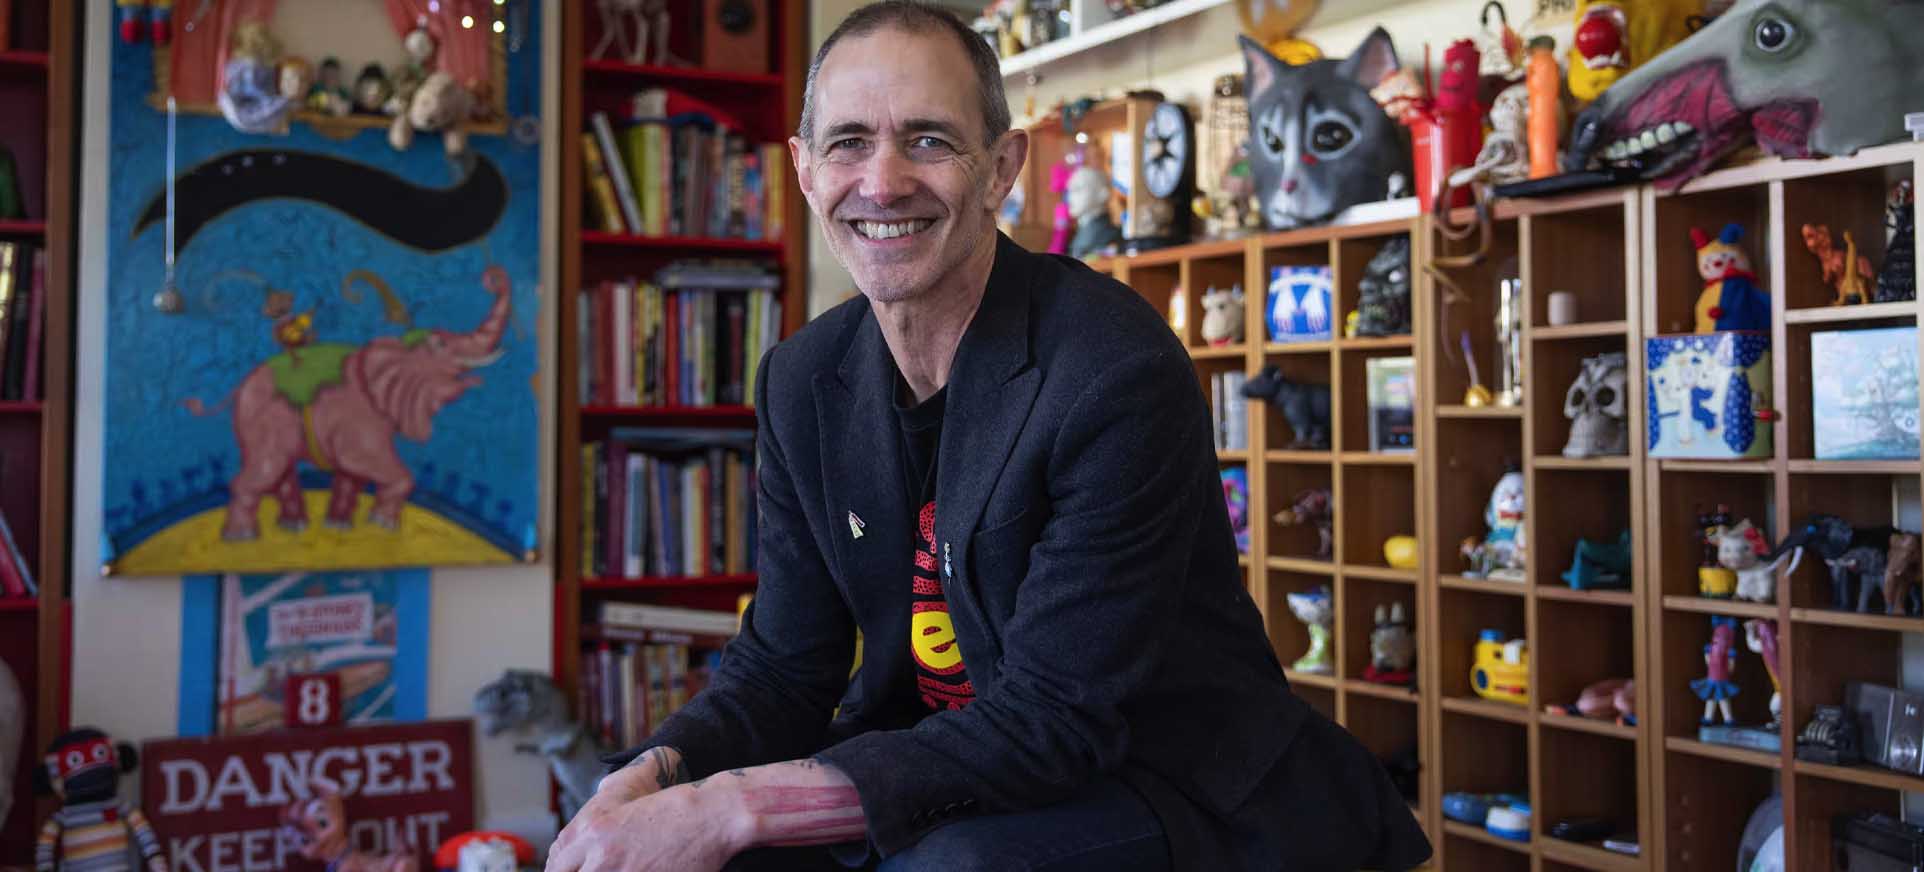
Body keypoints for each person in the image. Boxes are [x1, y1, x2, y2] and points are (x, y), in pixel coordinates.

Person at [543, 3, 1432, 871]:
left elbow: (1056, 717)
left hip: (1170, 776)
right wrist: (651, 780)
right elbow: (783, 668)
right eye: (848, 141)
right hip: (955, 760)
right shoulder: (800, 382)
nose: (882, 181)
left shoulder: (1112, 366)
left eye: (929, 140)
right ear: (807, 171)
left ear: (1003, 167)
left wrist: (735, 805)